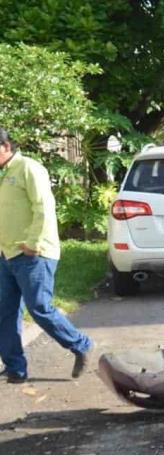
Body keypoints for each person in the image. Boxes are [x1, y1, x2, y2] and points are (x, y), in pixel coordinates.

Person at [0, 128, 93, 383]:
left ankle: (80, 344)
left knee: (39, 308)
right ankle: (16, 368)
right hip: (6, 254)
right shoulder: (3, 175)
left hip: (34, 253)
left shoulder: (28, 168)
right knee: (4, 312)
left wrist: (33, 243)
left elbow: (44, 207)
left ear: (6, 146)